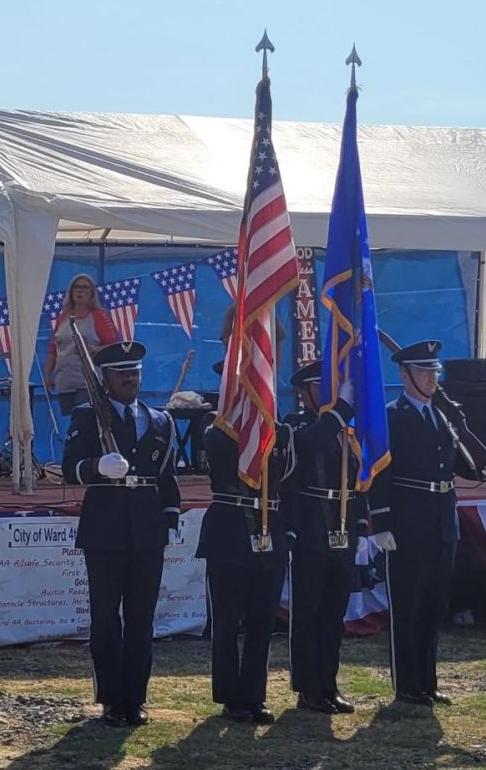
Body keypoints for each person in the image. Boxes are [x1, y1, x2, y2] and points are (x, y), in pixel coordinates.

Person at [368, 340, 486, 707]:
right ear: (405, 374)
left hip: (442, 517)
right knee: (408, 604)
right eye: (425, 371)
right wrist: (380, 520)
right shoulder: (393, 416)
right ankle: (407, 684)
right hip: (408, 520)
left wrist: (484, 469)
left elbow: (454, 461)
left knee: (433, 605)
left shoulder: (442, 415)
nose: (432, 378)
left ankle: (427, 681)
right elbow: (380, 472)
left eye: (435, 371)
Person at [63, 340, 181, 727]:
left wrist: (170, 518)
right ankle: (112, 699)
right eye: (122, 373)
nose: (131, 378)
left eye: (135, 372)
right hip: (105, 528)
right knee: (106, 618)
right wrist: (97, 465)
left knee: (141, 618)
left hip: (147, 530)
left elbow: (167, 479)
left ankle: (137, 696)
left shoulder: (160, 420)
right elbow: (70, 468)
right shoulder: (87, 416)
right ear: (105, 378)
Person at [197, 310, 295, 725]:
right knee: (228, 619)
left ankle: (254, 693)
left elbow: (286, 480)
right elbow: (221, 458)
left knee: (262, 620)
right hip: (230, 530)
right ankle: (229, 694)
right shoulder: (216, 426)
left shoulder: (282, 430)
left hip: (269, 530)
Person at [282, 361, 364, 715]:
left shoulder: (346, 428)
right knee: (309, 609)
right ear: (304, 392)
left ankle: (329, 683)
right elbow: (306, 444)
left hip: (344, 525)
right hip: (311, 525)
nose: (328, 393)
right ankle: (308, 686)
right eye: (320, 386)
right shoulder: (295, 423)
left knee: (334, 611)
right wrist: (341, 410)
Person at [45, 274, 119, 415]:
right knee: (70, 422)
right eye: (77, 287)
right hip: (65, 382)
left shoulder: (99, 317)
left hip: (88, 382)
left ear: (91, 292)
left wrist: (95, 349)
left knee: (85, 418)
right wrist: (47, 374)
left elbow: (113, 347)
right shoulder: (63, 317)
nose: (80, 291)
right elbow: (53, 349)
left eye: (85, 287)